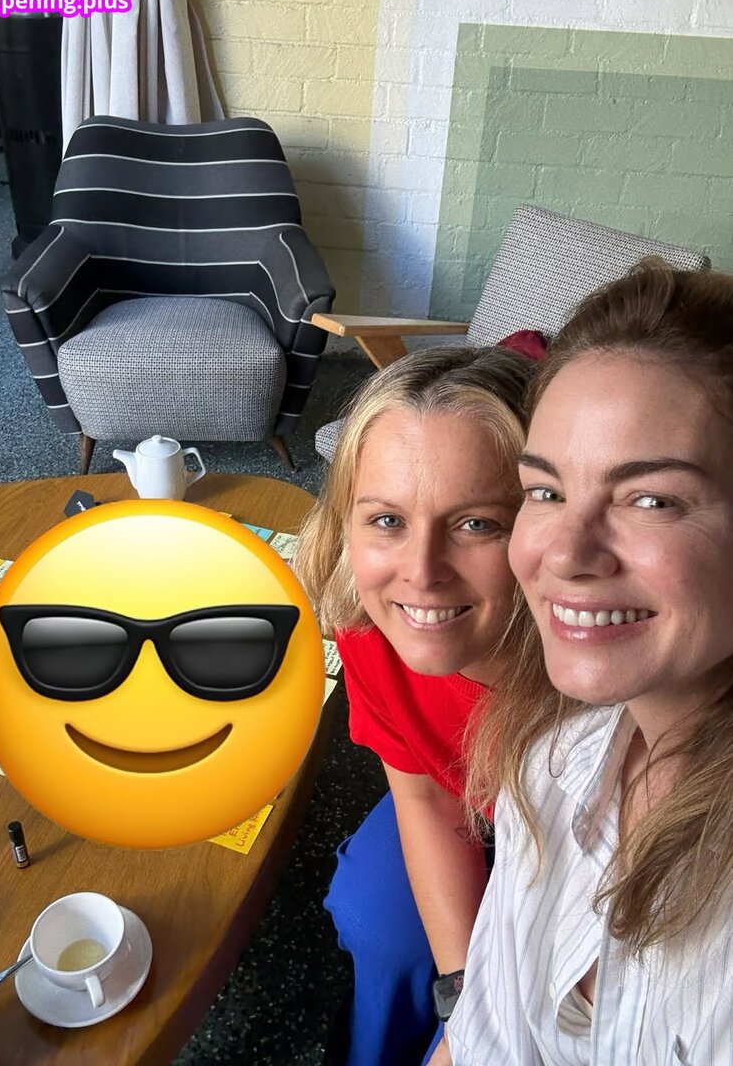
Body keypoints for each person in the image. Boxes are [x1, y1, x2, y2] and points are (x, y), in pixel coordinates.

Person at [433, 259, 733, 1064]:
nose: (564, 554)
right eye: (546, 491)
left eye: (651, 499)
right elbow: (483, 1042)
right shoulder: (550, 763)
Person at [294, 345, 537, 1065]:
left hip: (576, 853)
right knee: (376, 917)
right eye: (387, 521)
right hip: (463, 807)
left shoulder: (591, 675)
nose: (422, 573)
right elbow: (426, 795)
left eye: (476, 524)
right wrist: (463, 999)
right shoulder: (374, 626)